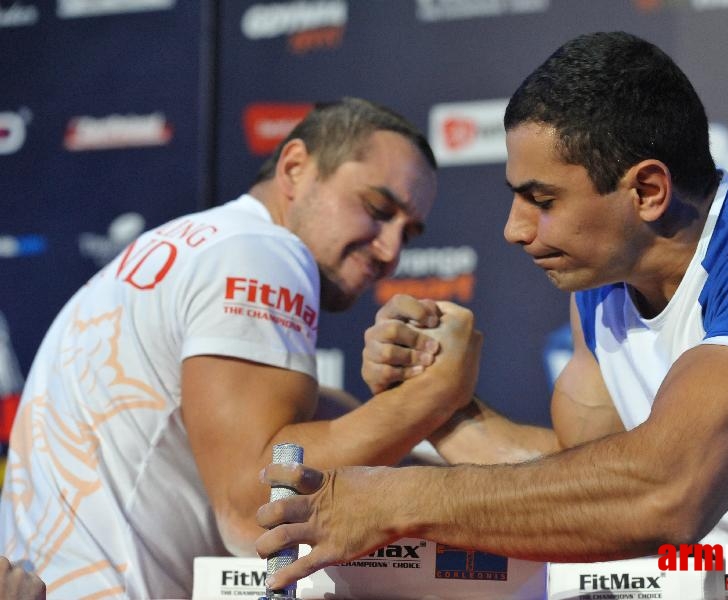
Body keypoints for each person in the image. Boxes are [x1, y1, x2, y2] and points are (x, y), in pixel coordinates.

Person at [255, 32, 728, 598]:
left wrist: (392, 501)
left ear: (646, 191)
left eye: (541, 199)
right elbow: (581, 486)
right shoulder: (600, 289)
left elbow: (661, 494)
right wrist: (439, 406)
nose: (513, 228)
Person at [0, 97, 480, 599]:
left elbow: (321, 431)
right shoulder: (263, 251)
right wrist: (433, 395)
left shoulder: (206, 243)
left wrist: (420, 416)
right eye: (377, 210)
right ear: (295, 168)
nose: (391, 251)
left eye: (409, 231)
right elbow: (254, 509)